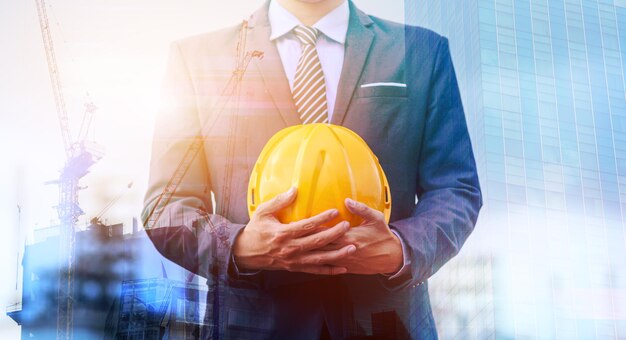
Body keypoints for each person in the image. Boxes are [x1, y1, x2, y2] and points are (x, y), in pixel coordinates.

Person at [143, 0, 482, 338]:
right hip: (251, 325)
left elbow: (455, 189)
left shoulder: (422, 51)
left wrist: (401, 248)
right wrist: (240, 245)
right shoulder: (196, 58)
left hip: (387, 322)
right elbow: (165, 206)